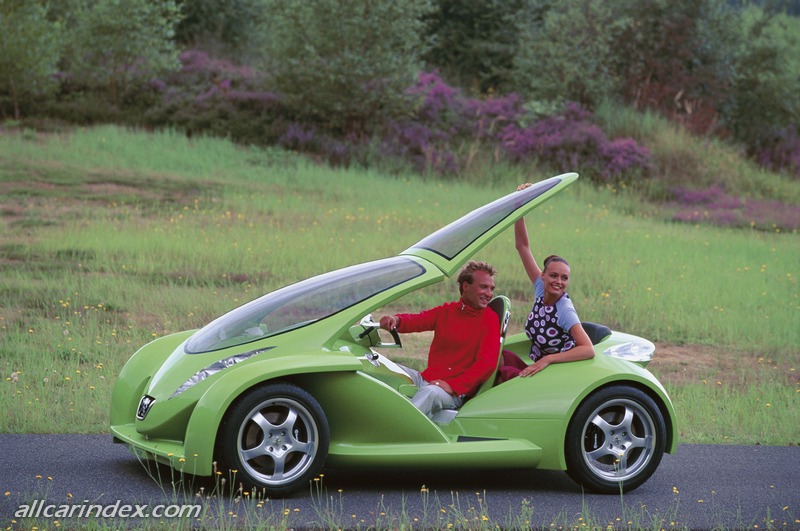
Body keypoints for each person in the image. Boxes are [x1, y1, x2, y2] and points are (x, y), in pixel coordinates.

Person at [378, 260, 502, 419]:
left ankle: (397, 429)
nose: (489, 294)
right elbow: (419, 319)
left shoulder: (490, 319)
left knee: (430, 393)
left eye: (491, 289)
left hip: (451, 392)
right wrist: (396, 320)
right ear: (466, 286)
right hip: (426, 378)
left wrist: (454, 386)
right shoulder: (448, 311)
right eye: (484, 287)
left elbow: (486, 364)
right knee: (381, 367)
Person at [498, 183, 594, 382]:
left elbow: (588, 349)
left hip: (555, 373)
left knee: (504, 375)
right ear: (543, 275)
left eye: (564, 278)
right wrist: (520, 203)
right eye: (554, 276)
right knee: (496, 357)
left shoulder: (564, 309)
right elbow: (522, 246)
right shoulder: (541, 289)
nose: (558, 282)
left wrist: (548, 360)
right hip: (539, 366)